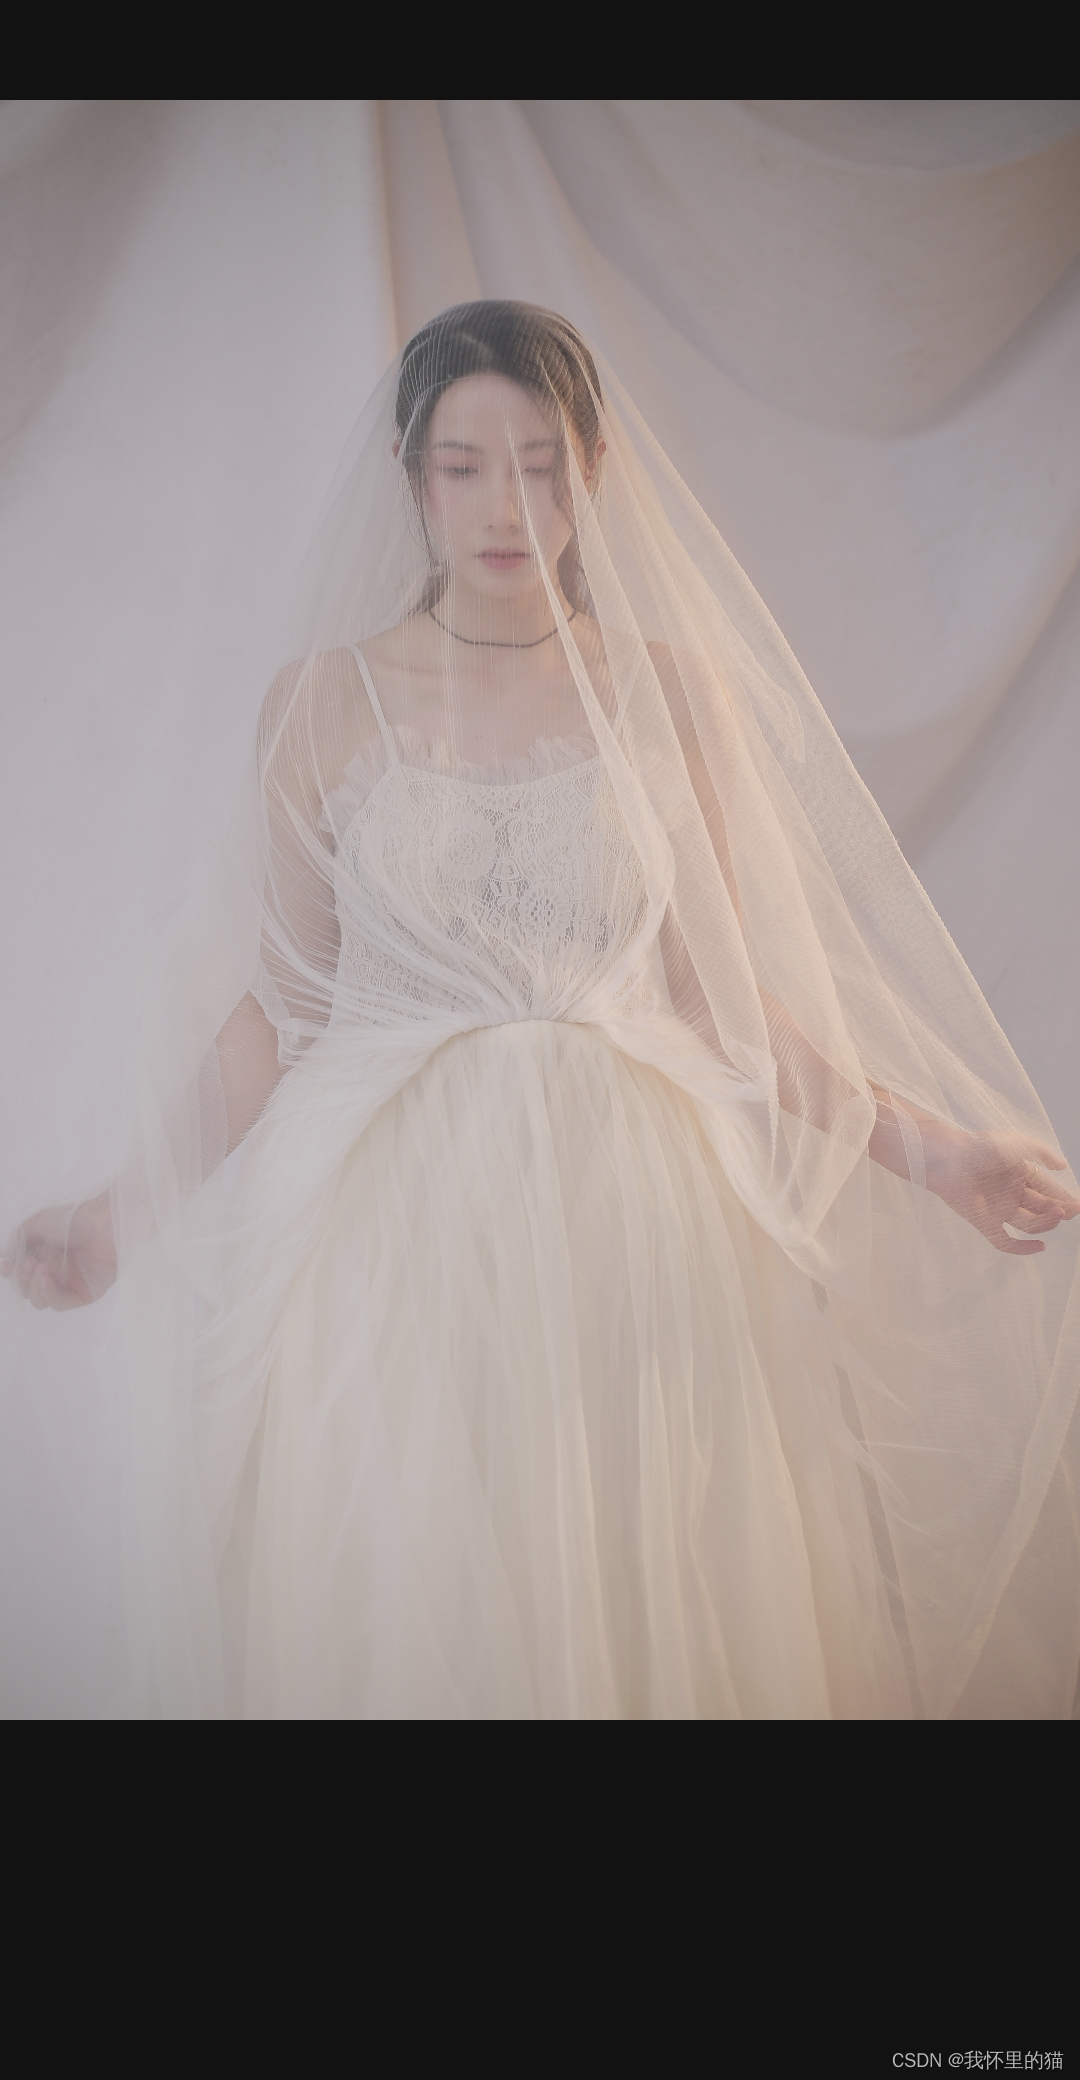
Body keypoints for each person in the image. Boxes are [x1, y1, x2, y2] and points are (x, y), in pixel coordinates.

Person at [4, 300, 1079, 1719]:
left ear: (593, 472)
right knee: (419, 1612)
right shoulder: (322, 704)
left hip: (634, 1235)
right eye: (465, 467)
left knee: (636, 1606)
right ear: (413, 479)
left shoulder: (668, 696)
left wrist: (939, 1153)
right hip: (392, 1243)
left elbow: (723, 1003)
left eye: (541, 466)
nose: (506, 505)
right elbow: (282, 1013)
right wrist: (115, 1215)